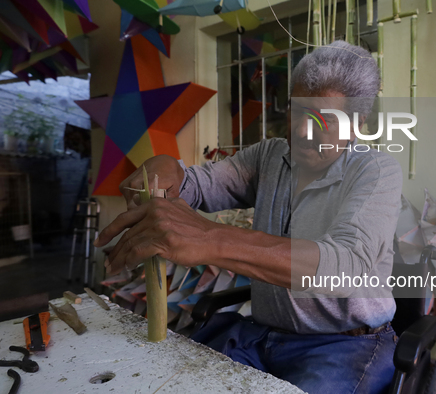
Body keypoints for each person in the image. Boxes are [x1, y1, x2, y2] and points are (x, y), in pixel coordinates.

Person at [95, 40, 403, 394]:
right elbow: (199, 184)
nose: (303, 131)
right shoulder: (271, 157)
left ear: (358, 123)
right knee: (173, 383)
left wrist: (211, 239)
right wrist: (169, 170)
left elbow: (344, 267)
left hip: (345, 346)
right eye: (297, 112)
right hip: (263, 335)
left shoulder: (376, 171)